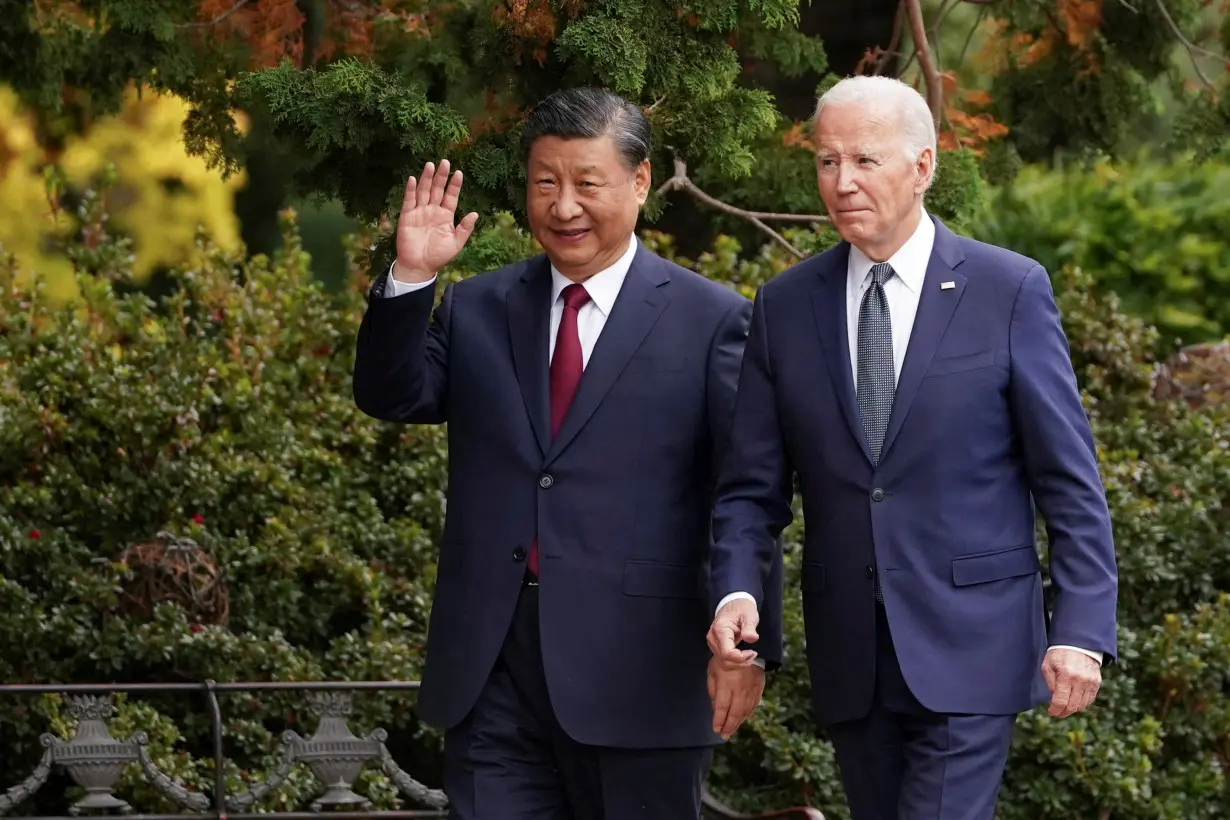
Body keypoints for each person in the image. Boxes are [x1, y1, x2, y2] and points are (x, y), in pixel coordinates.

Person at [352, 86, 776, 820]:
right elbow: (392, 395)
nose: (564, 206)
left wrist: (751, 634)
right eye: (545, 183)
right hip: (493, 666)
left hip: (641, 671)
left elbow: (744, 492)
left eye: (587, 183)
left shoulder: (713, 321)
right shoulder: (478, 307)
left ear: (640, 183)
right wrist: (414, 277)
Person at [705, 75, 1119, 819]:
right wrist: (736, 591)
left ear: (923, 166)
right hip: (851, 656)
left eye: (865, 160)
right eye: (827, 162)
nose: (842, 182)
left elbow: (1068, 481)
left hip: (973, 644)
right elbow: (750, 489)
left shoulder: (1009, 290)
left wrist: (1082, 629)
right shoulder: (785, 306)